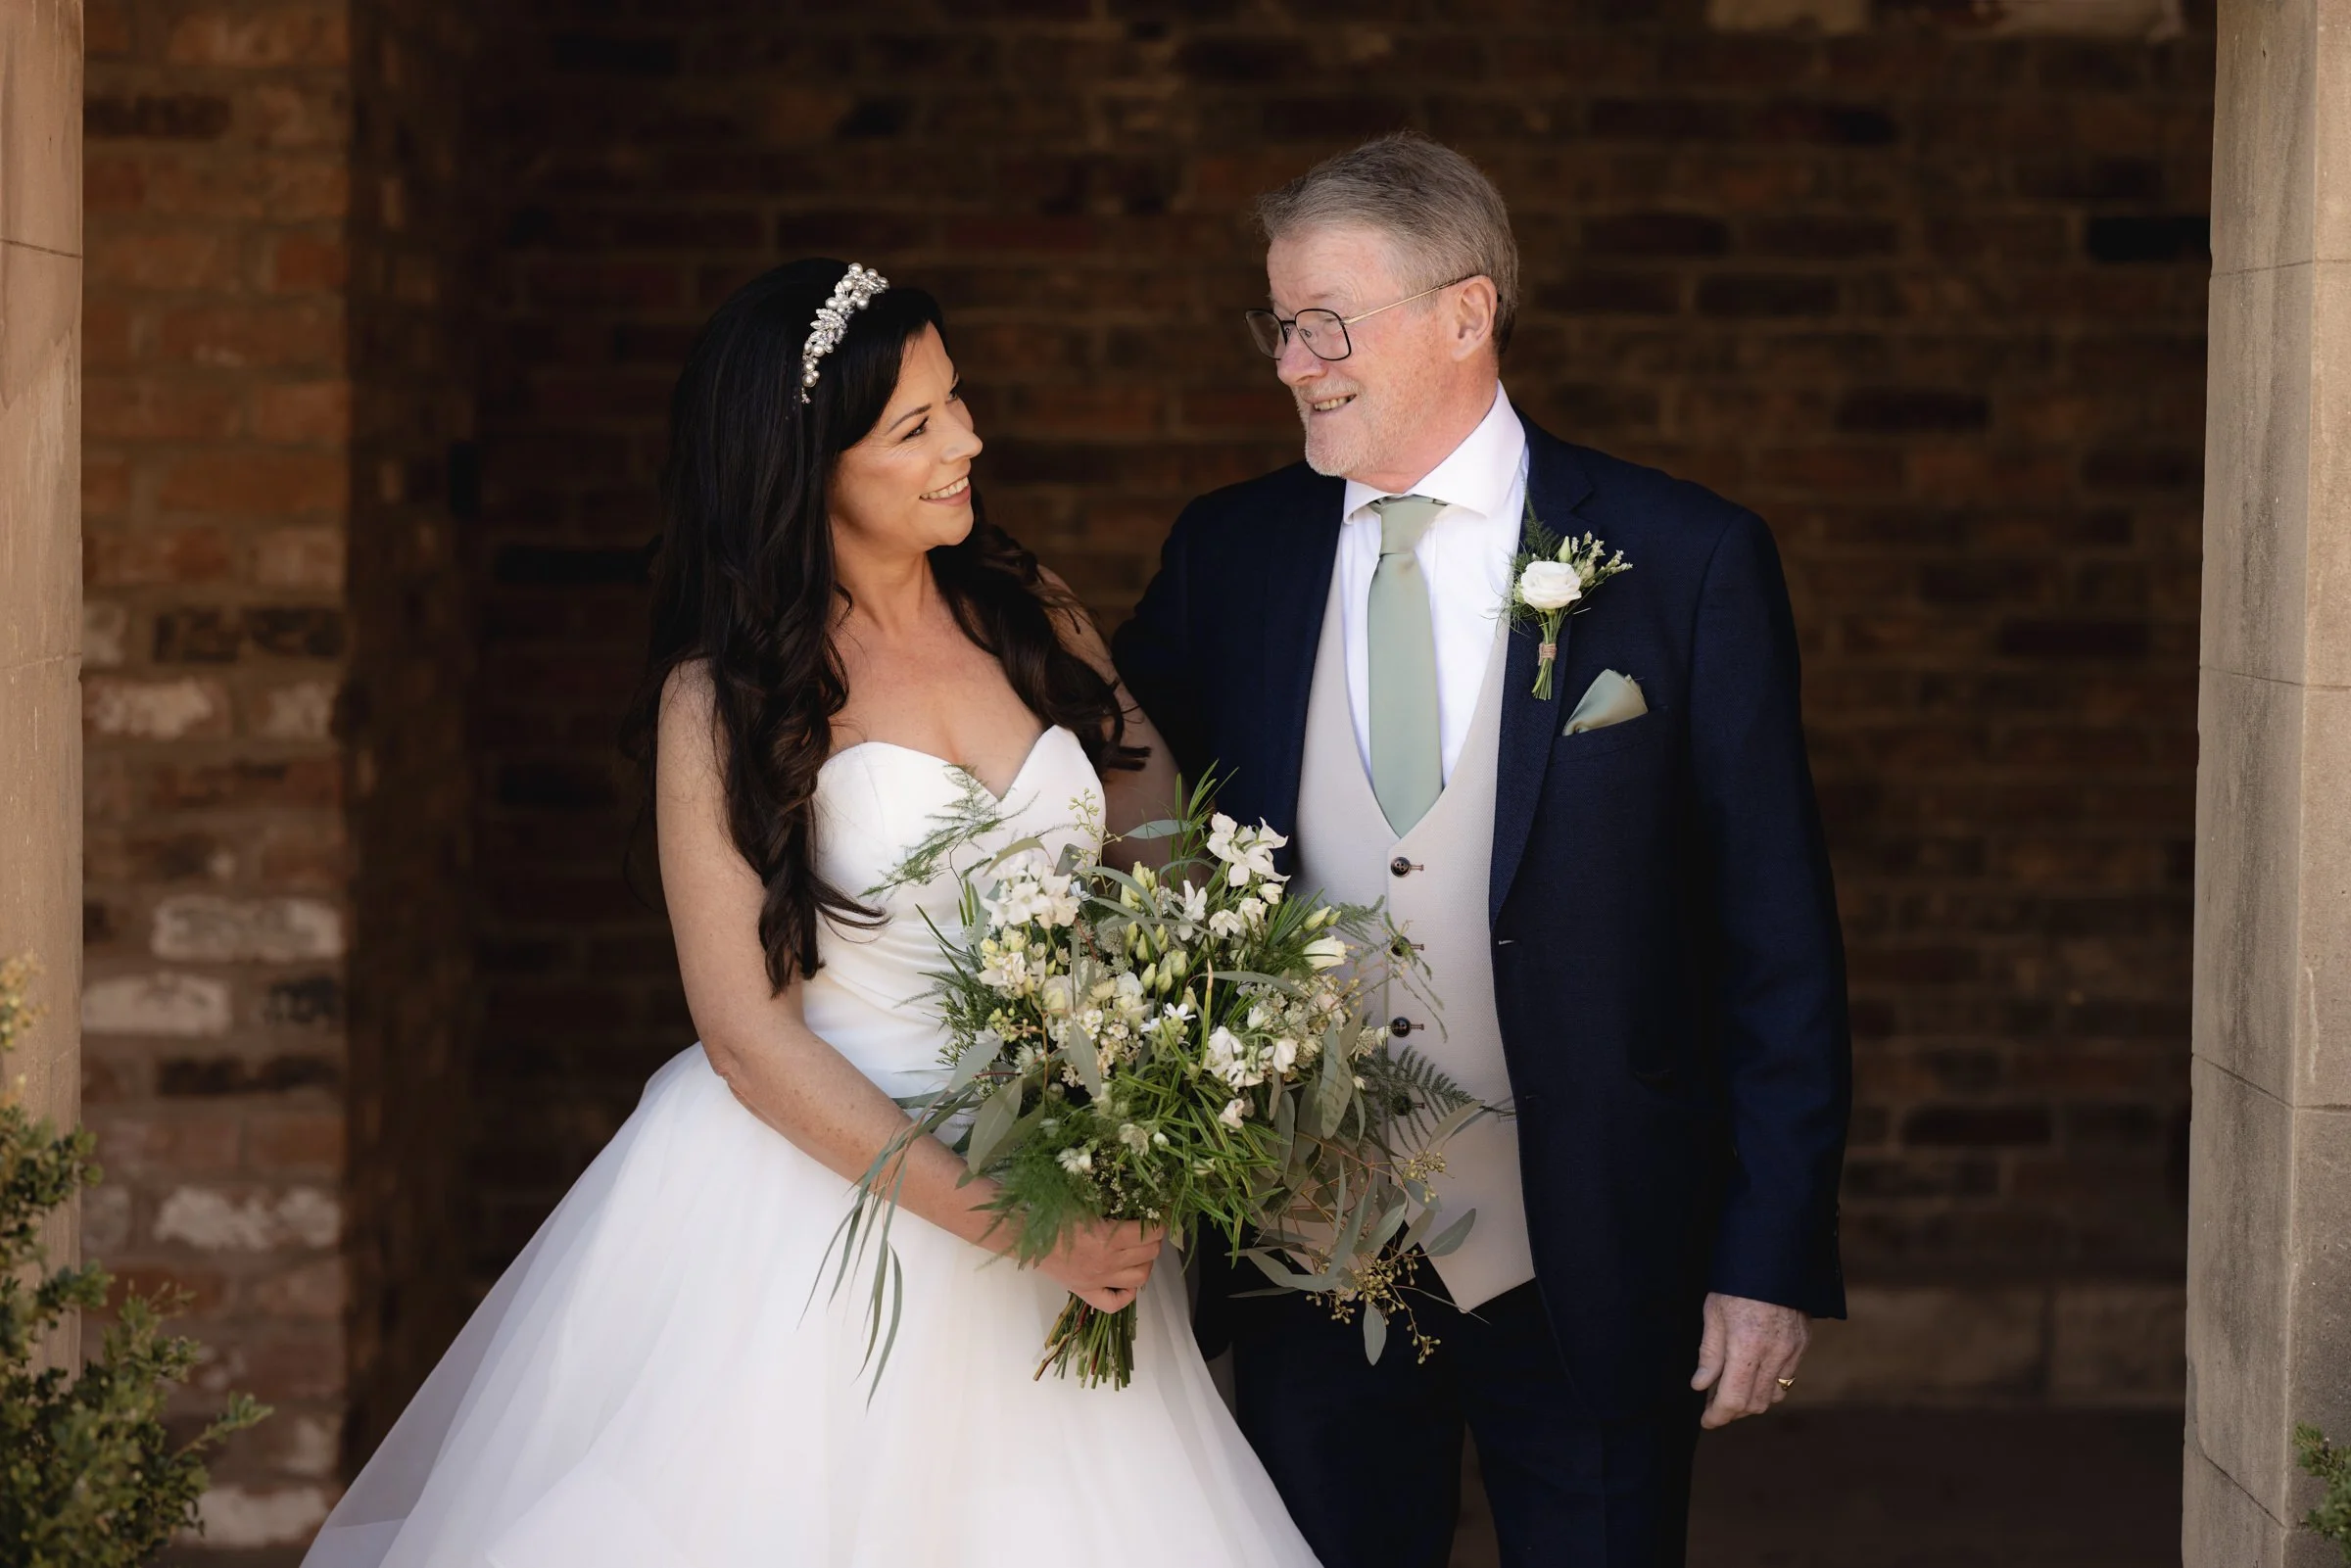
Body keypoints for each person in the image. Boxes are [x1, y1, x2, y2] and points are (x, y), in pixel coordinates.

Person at [300, 260, 1321, 1568]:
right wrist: (1020, 1221)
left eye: (958, 402)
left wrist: (1169, 1070)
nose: (969, 441)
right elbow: (745, 1032)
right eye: (916, 427)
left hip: (1068, 1155)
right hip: (826, 1210)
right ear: (806, 468)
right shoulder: (722, 699)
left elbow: (1164, 846)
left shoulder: (1027, 610)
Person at [1113, 132, 1852, 1568]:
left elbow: (1777, 939)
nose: (1291, 361)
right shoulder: (1232, 554)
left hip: (1592, 1258)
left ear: (1467, 313)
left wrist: (1767, 1262)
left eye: (1328, 322)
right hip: (1304, 1259)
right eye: (1278, 324)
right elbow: (1111, 807)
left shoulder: (1683, 557)